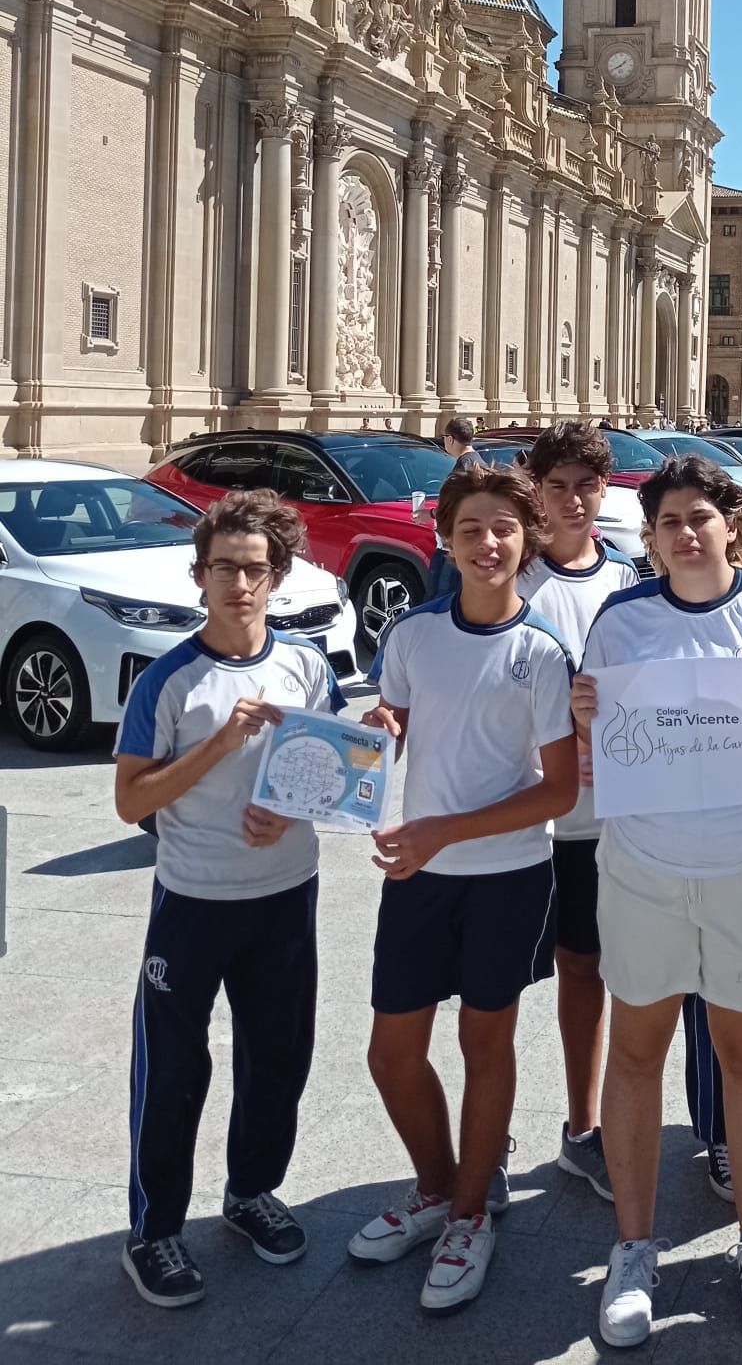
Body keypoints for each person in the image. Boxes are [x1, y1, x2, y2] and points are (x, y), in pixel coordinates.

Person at [571, 457, 742, 1349]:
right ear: (650, 539)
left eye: (701, 516)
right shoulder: (621, 620)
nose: (686, 533)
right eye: (669, 520)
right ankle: (634, 1247)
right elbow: (601, 741)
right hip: (643, 862)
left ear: (733, 524)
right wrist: (582, 717)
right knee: (637, 1050)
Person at [350, 466, 578, 1314]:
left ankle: (472, 1211)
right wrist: (381, 733)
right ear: (445, 537)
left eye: (505, 530)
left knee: (487, 1044)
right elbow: (400, 730)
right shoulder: (411, 636)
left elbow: (559, 792)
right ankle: (441, 1187)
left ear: (530, 541)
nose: (489, 544)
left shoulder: (542, 652)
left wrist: (445, 830)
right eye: (472, 528)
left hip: (508, 877)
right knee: (393, 1053)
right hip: (418, 875)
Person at [114, 490, 344, 1307]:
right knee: (174, 1068)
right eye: (224, 569)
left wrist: (290, 806)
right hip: (194, 898)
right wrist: (221, 742)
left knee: (277, 1058)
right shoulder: (170, 680)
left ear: (277, 576)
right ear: (200, 574)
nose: (239, 584)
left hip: (285, 893)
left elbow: (337, 773)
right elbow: (132, 801)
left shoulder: (309, 665)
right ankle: (155, 1232)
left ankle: (250, 1192)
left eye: (254, 569)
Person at [515, 424, 640, 1205]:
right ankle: (488, 1136)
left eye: (584, 486)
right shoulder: (509, 576)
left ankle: (585, 1127)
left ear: (603, 492)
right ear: (536, 491)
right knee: (494, 986)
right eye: (556, 485)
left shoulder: (628, 581)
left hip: (610, 813)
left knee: (592, 968)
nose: (571, 499)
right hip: (525, 814)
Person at [429, 415, 488, 597]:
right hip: (469, 546)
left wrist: (430, 513)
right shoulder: (480, 463)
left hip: (453, 549)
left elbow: (456, 507)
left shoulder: (463, 466)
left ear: (450, 439)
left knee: (440, 602)